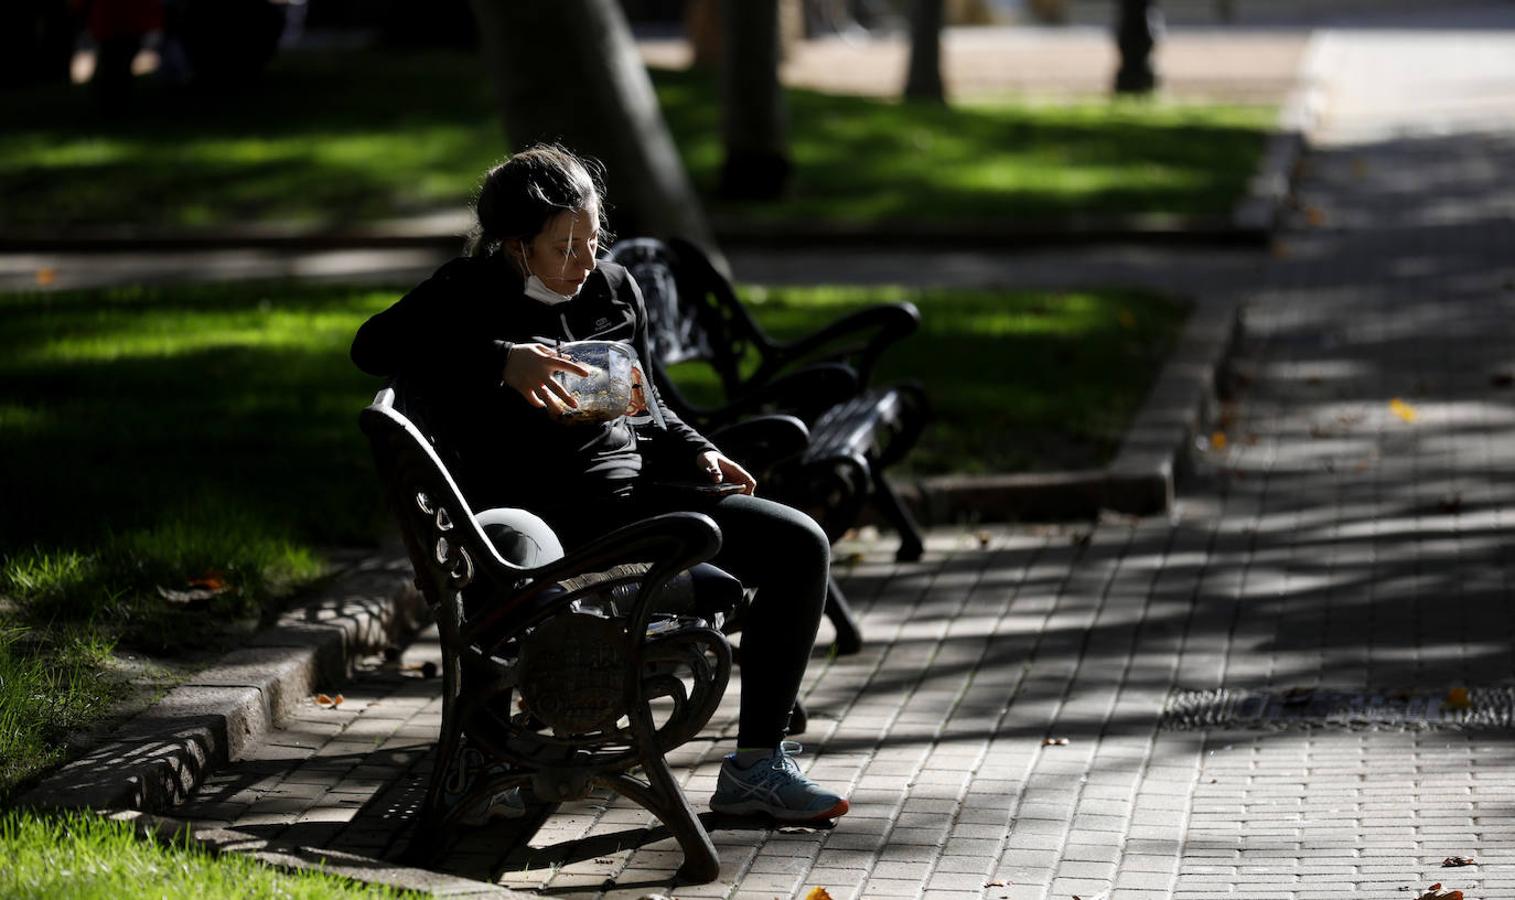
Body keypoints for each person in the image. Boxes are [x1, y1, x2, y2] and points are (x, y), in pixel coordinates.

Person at [351, 144, 849, 824]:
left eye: (592, 238)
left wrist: (698, 450)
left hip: (637, 504)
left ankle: (756, 768)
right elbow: (370, 348)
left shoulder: (612, 289)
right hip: (545, 528)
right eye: (564, 246)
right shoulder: (466, 293)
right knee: (712, 537)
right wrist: (501, 362)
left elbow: (641, 400)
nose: (585, 261)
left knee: (799, 543)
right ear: (515, 245)